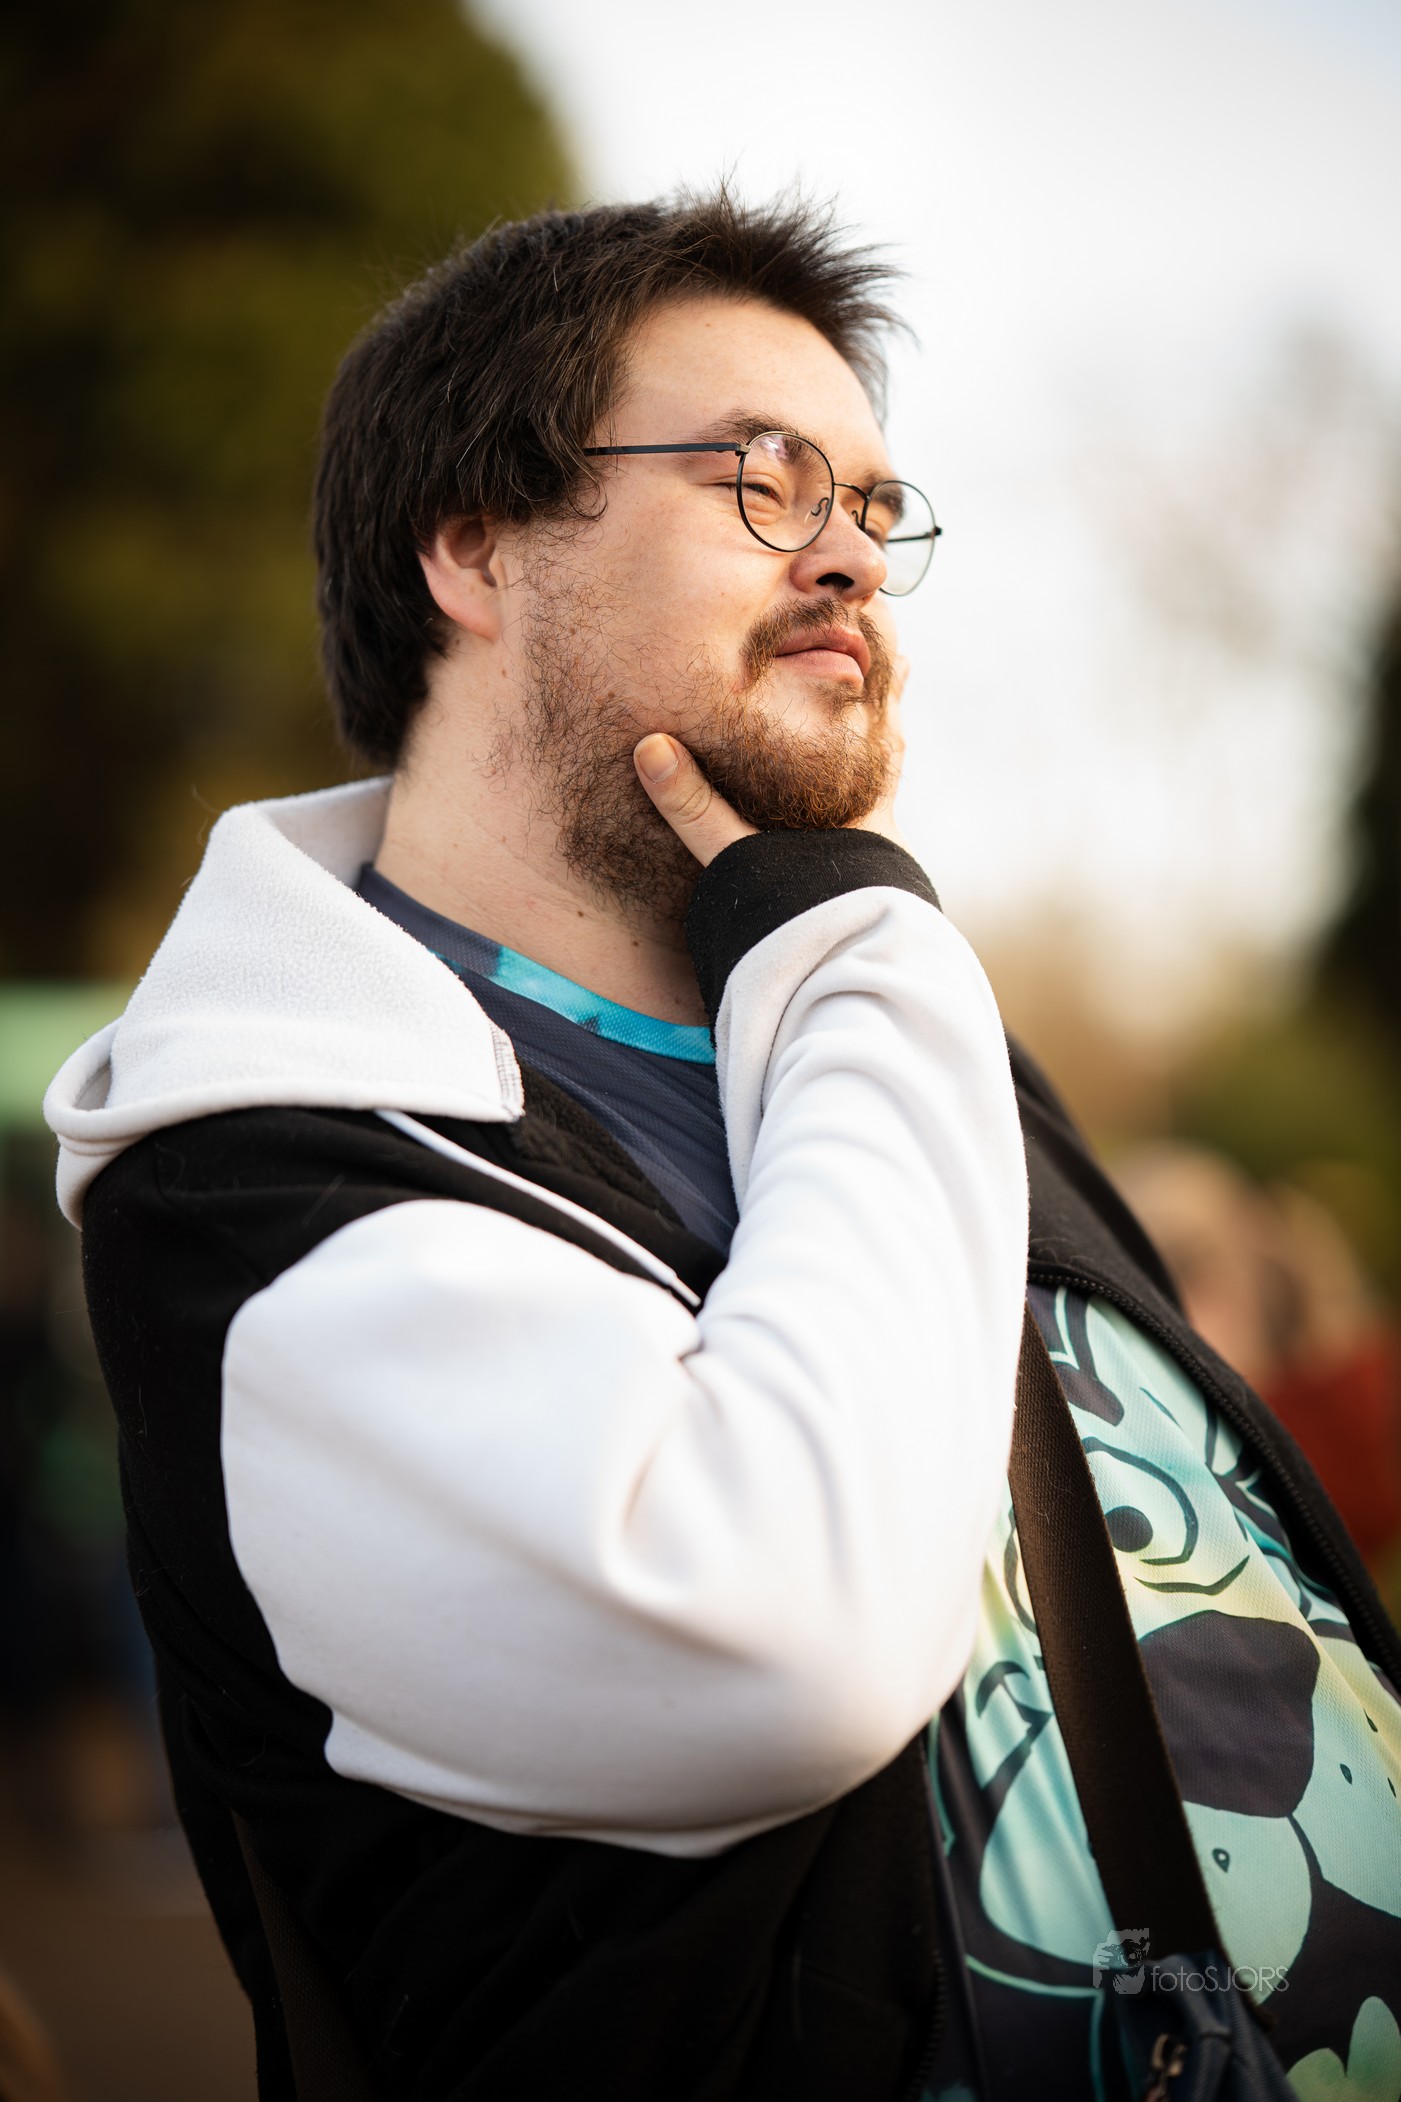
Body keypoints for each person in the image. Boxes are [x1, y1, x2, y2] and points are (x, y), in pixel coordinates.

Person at [44, 195, 1401, 2102]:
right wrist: (866, 935)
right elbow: (777, 1647)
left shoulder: (920, 1049)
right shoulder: (271, 1168)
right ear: (472, 544)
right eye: (761, 478)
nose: (849, 553)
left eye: (874, 503)